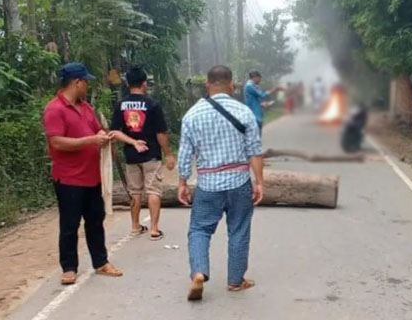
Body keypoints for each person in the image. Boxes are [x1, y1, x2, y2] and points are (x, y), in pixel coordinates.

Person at [178, 65, 265, 301]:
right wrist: (259, 183)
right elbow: (255, 151)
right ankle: (236, 281)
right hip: (239, 183)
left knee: (199, 230)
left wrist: (183, 182)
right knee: (239, 230)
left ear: (207, 85)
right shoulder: (244, 112)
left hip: (208, 185)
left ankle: (198, 272)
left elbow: (185, 154)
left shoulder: (191, 115)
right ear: (232, 85)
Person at [42, 62, 123, 285]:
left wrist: (104, 137)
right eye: (85, 81)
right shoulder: (55, 109)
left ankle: (101, 261)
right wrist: (90, 140)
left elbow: (96, 128)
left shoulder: (85, 107)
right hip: (69, 178)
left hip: (92, 176)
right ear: (76, 82)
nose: (87, 85)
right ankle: (69, 267)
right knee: (70, 224)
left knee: (96, 220)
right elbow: (56, 142)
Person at [110, 66, 175, 241]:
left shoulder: (120, 105)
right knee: (154, 190)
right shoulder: (152, 104)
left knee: (135, 192)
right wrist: (168, 153)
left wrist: (132, 142)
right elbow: (161, 133)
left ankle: (135, 226)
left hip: (131, 156)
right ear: (144, 83)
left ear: (128, 83)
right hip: (151, 154)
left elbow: (114, 132)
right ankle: (154, 229)